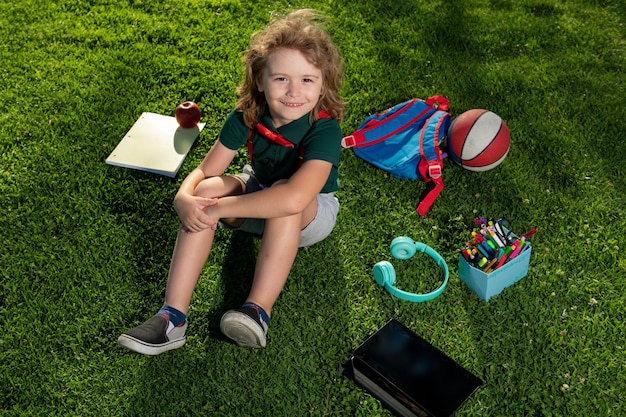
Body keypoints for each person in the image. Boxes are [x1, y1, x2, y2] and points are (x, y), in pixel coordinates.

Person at [118, 9, 345, 354]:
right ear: (260, 80)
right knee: (207, 191)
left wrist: (218, 209)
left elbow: (296, 198)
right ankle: (172, 318)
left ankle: (256, 311)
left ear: (323, 84)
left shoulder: (323, 129)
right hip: (259, 194)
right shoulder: (248, 116)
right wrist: (184, 195)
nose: (293, 91)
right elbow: (206, 172)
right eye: (281, 78)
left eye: (307, 80)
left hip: (308, 215)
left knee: (282, 201)